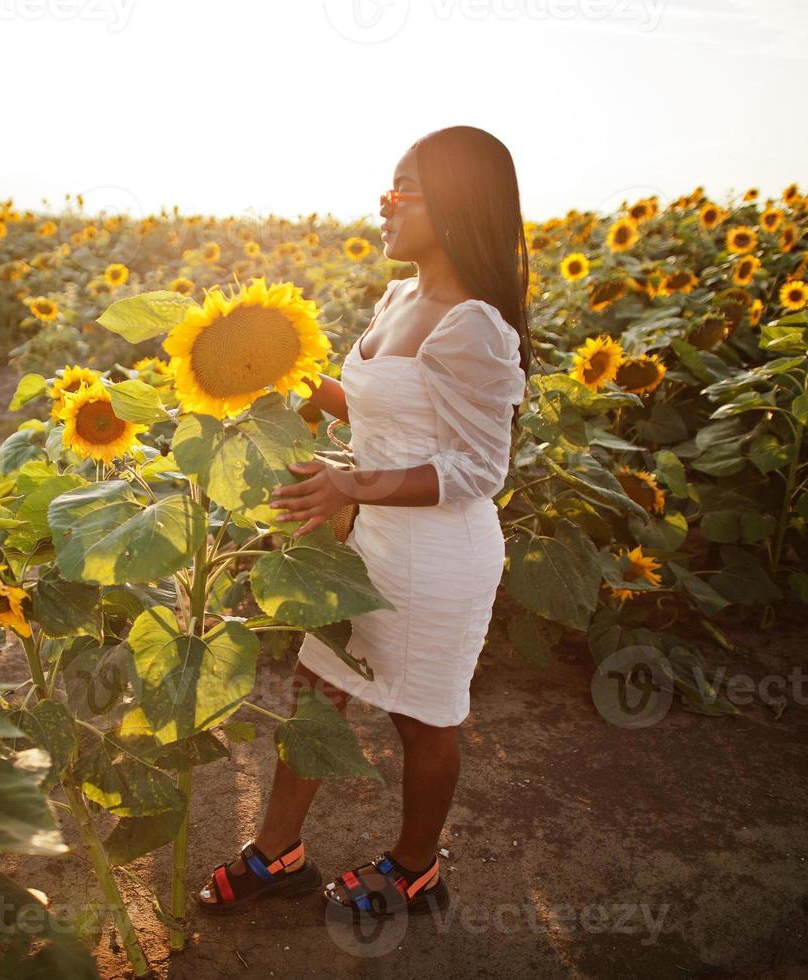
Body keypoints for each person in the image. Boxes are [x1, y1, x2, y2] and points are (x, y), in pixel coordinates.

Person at [196, 125, 532, 921]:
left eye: (398, 189)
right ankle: (278, 851)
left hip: (438, 555)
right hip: (368, 541)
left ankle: (414, 868)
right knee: (317, 691)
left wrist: (351, 481)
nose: (381, 206)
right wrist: (297, 384)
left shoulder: (473, 324)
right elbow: (393, 416)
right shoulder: (399, 297)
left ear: (453, 202)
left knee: (423, 719)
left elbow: (478, 470)